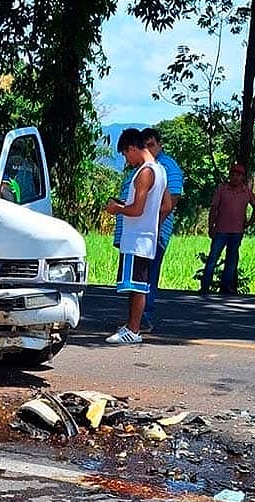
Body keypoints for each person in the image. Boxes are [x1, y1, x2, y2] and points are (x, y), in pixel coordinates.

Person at [104, 128, 168, 344]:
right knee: (136, 284)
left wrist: (118, 208)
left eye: (125, 154)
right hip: (145, 236)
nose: (127, 159)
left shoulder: (145, 172)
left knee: (136, 287)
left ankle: (133, 330)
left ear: (132, 148)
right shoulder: (160, 170)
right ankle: (131, 325)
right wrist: (153, 223)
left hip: (136, 239)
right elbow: (166, 205)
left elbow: (137, 209)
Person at [136, 127, 183, 332]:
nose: (148, 149)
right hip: (141, 232)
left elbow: (170, 202)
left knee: (147, 276)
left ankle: (144, 317)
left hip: (154, 233)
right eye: (144, 145)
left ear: (159, 144)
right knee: (139, 276)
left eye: (151, 145)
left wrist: (152, 229)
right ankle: (137, 317)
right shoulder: (144, 166)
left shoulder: (166, 167)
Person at [199, 163, 255, 295]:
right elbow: (214, 208)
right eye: (233, 174)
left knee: (231, 260)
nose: (235, 177)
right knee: (212, 258)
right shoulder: (222, 189)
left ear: (242, 177)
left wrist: (249, 222)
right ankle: (205, 287)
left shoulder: (246, 191)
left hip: (237, 231)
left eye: (238, 175)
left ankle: (226, 289)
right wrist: (211, 226)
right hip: (221, 230)